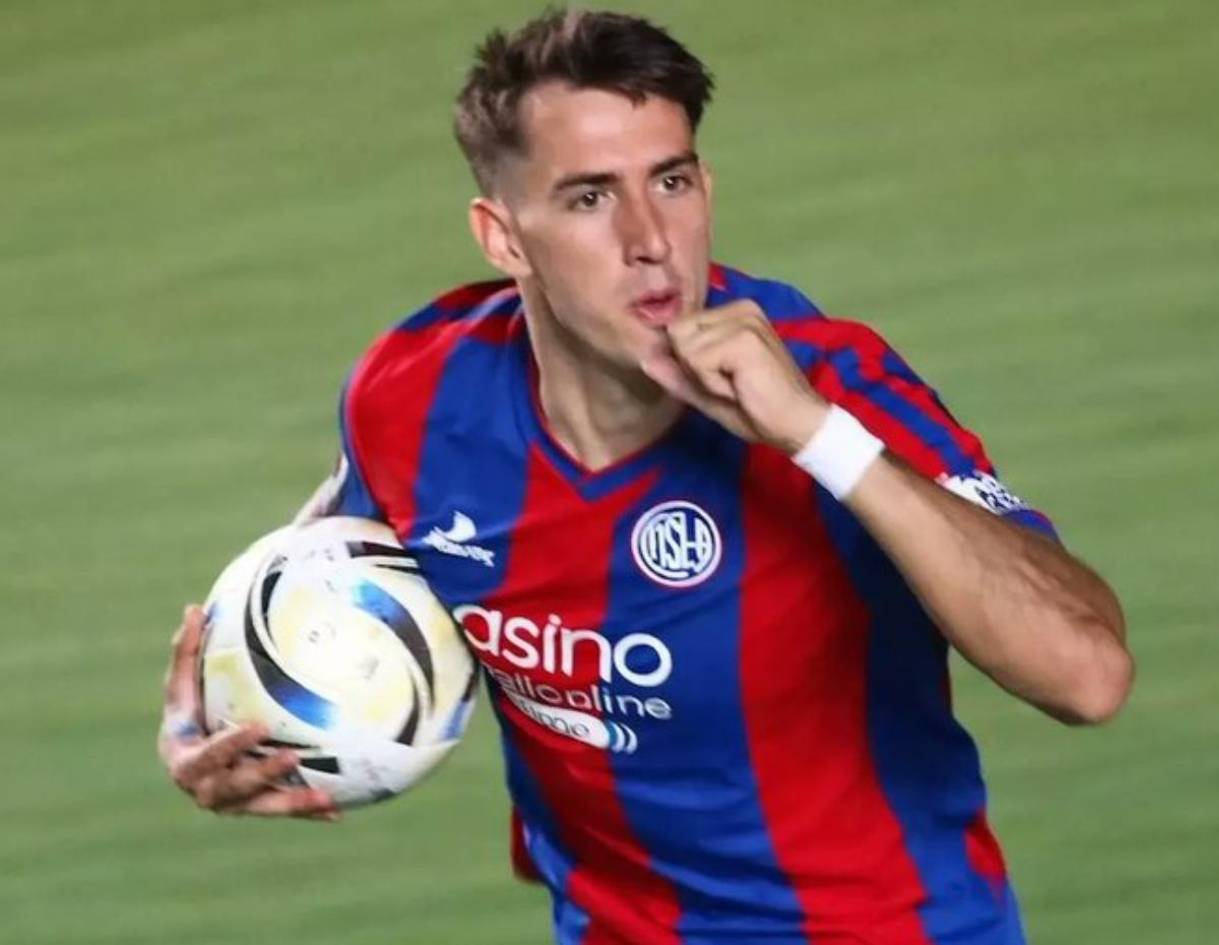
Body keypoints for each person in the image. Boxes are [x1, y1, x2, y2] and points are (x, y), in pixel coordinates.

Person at [159, 9, 1132, 943]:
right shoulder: (416, 394)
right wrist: (220, 718)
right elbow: (324, 570)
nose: (650, 238)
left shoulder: (833, 389)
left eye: (670, 181)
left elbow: (1089, 677)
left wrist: (817, 439)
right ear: (503, 237)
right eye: (590, 197)